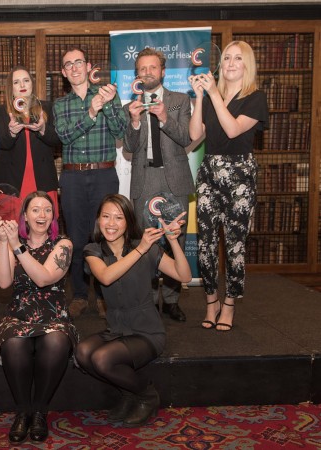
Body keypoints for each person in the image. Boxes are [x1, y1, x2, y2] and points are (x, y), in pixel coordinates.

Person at [75, 194, 191, 427]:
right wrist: (141, 249)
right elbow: (106, 277)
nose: (111, 223)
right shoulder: (93, 250)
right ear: (98, 220)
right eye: (106, 216)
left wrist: (173, 240)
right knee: (82, 353)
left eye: (118, 217)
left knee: (101, 358)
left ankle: (147, 396)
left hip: (147, 331)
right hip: (117, 329)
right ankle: (130, 393)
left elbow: (184, 276)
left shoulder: (146, 248)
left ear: (128, 221)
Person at [188, 41, 268, 332]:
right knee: (206, 242)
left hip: (239, 174)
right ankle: (211, 302)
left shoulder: (255, 97)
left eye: (238, 58)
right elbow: (195, 136)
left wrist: (212, 94)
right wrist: (200, 97)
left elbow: (233, 130)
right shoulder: (211, 96)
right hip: (209, 170)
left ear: (247, 64)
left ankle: (230, 303)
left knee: (234, 245)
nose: (231, 63)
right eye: (227, 58)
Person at [0, 191, 77, 444]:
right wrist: (3, 243)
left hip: (54, 314)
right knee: (14, 343)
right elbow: (3, 282)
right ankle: (23, 411)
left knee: (56, 342)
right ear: (25, 216)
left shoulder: (64, 245)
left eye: (47, 210)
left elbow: (43, 278)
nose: (42, 215)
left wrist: (16, 245)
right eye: (36, 209)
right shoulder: (13, 242)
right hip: (18, 314)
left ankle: (39, 411)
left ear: (53, 217)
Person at [53, 46, 127, 319]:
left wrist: (106, 105)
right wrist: (92, 113)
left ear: (87, 66)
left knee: (107, 236)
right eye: (68, 64)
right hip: (72, 176)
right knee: (76, 237)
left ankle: (105, 297)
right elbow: (64, 137)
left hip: (104, 174)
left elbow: (121, 131)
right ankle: (80, 295)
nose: (74, 68)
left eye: (78, 62)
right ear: (63, 72)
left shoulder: (107, 95)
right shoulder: (61, 105)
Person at [123, 47, 193, 322]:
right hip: (145, 179)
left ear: (163, 72)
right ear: (137, 73)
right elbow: (128, 147)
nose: (148, 72)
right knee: (145, 242)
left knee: (176, 238)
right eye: (142, 68)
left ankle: (172, 300)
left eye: (153, 67)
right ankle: (149, 301)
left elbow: (186, 137)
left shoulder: (179, 101)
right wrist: (135, 121)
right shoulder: (131, 105)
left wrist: (164, 117)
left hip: (173, 177)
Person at [0, 66, 61, 213]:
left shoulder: (47, 108)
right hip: (11, 181)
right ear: (11, 87)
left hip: (43, 179)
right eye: (16, 82)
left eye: (26, 80)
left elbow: (58, 140)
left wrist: (43, 130)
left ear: (32, 84)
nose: (22, 85)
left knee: (41, 229)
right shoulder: (0, 112)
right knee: (11, 230)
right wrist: (12, 133)